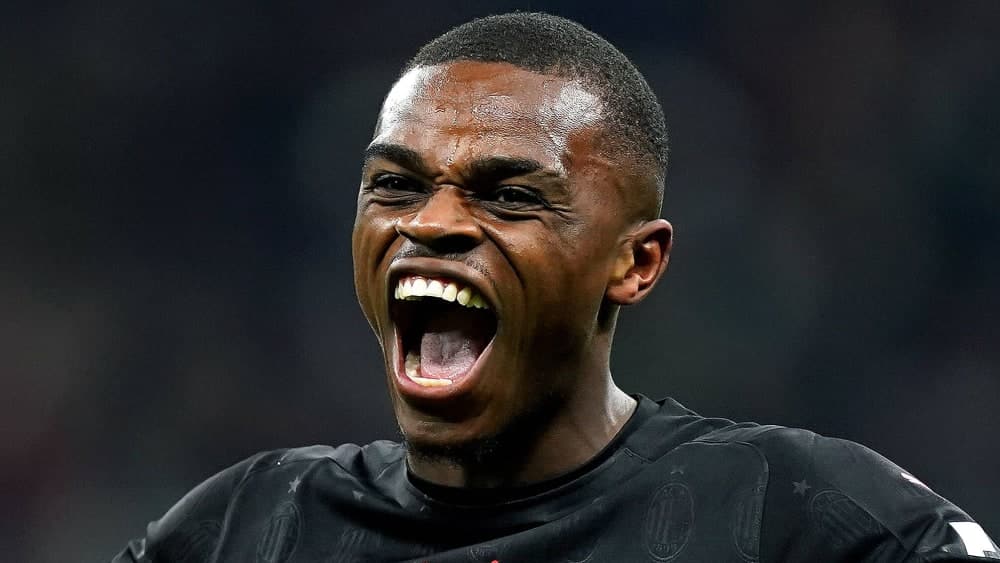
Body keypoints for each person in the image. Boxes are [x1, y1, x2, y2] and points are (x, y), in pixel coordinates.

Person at [114, 12, 997, 563]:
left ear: (635, 263)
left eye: (508, 195)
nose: (432, 221)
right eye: (396, 185)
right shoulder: (248, 526)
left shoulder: (799, 515)